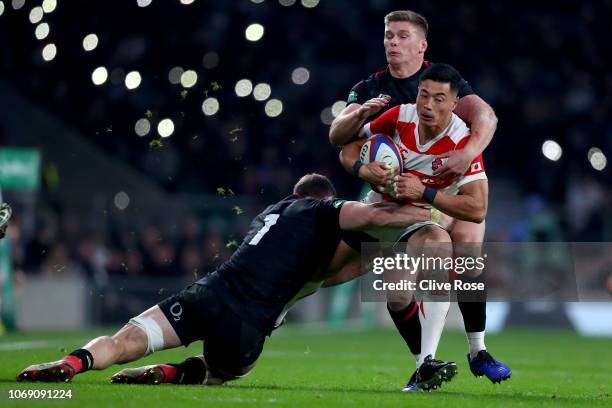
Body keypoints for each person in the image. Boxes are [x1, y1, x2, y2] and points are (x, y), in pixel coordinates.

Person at [17, 173, 445, 387]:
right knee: (227, 371)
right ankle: (171, 373)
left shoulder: (269, 213)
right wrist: (430, 211)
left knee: (127, 336)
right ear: (320, 199)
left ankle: (72, 363)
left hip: (209, 293)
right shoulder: (317, 212)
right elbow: (364, 225)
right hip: (247, 324)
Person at [329, 10, 510, 390]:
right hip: (392, 190)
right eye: (388, 35)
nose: (392, 42)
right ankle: (282, 300)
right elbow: (340, 140)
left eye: (401, 36)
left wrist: (467, 153)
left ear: (421, 44)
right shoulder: (373, 92)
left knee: (467, 251)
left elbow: (487, 118)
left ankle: (475, 350)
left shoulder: (445, 83)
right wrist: (364, 160)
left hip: (444, 186)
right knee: (341, 270)